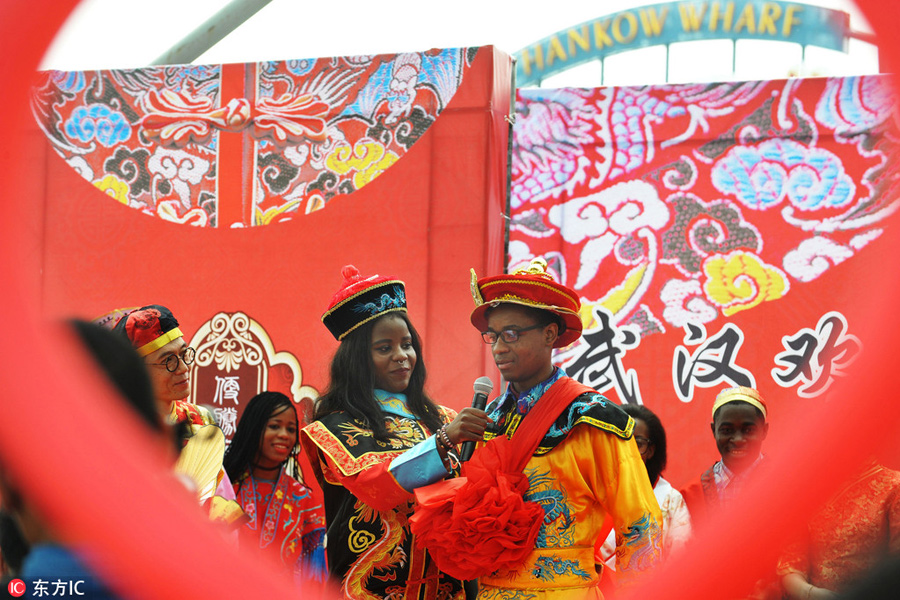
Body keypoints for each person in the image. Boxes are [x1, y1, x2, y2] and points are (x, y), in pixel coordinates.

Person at [465, 257, 662, 598]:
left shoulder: (593, 419)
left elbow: (641, 525)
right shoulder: (488, 421)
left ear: (550, 334)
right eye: (493, 335)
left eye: (511, 334)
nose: (498, 347)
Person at [301, 265, 490, 600]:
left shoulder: (442, 417)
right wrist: (444, 442)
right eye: (384, 348)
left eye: (406, 344)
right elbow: (376, 486)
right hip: (370, 590)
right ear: (358, 359)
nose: (402, 356)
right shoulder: (334, 425)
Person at [112, 304, 237, 507]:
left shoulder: (200, 419)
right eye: (168, 361)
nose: (183, 367)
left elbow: (219, 498)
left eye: (184, 354)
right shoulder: (117, 427)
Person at [223, 391, 326, 586]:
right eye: (274, 426)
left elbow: (313, 578)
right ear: (253, 429)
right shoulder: (225, 487)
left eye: (290, 429)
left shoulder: (304, 499)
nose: (284, 435)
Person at [777, 461, 900, 599]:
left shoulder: (894, 485)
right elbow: (791, 564)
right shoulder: (809, 490)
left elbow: (895, 569)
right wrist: (810, 593)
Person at [597, 404, 692, 573]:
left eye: (637, 443)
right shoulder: (591, 493)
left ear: (651, 450)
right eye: (620, 441)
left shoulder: (670, 500)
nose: (628, 451)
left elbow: (680, 563)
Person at [681, 386, 769, 523]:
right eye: (727, 430)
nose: (738, 440)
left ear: (764, 431)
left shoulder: (789, 485)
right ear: (714, 430)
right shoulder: (691, 496)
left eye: (748, 430)